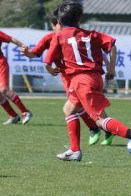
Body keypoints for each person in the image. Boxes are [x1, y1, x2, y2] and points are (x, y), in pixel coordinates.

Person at [44, 0, 131, 161]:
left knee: (100, 120)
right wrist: (112, 68)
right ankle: (74, 150)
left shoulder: (58, 36)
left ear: (59, 21)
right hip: (94, 78)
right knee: (68, 109)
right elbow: (112, 46)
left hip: (81, 81)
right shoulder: (92, 34)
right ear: (79, 19)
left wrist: (51, 70)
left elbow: (47, 62)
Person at [22, 12, 114, 146]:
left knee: (80, 107)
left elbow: (97, 53)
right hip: (67, 77)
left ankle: (102, 128)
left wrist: (108, 66)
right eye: (59, 24)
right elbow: (35, 53)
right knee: (76, 107)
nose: (62, 26)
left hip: (82, 76)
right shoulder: (50, 38)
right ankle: (97, 128)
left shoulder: (77, 36)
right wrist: (26, 52)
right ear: (53, 26)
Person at [0, 30, 33, 125]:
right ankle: (13, 116)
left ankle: (25, 112)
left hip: (1, 63)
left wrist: (25, 47)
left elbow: (13, 40)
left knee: (4, 90)